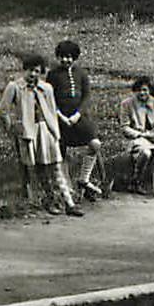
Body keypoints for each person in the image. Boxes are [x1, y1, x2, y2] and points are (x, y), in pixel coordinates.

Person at [0, 54, 85, 217]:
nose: (33, 74)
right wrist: (13, 127)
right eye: (30, 70)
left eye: (37, 71)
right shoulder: (15, 87)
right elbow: (2, 111)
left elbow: (51, 111)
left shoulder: (46, 88)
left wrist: (55, 132)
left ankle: (69, 203)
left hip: (47, 130)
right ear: (25, 70)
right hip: (29, 132)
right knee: (39, 169)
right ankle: (50, 200)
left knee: (56, 167)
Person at [49, 39, 106, 201]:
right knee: (60, 151)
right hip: (60, 119)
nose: (66, 60)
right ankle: (66, 188)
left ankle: (84, 179)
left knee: (95, 143)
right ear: (58, 57)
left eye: (70, 57)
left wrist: (77, 115)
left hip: (79, 118)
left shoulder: (81, 73)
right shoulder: (53, 75)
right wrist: (60, 115)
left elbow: (87, 97)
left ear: (75, 58)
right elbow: (50, 98)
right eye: (62, 57)